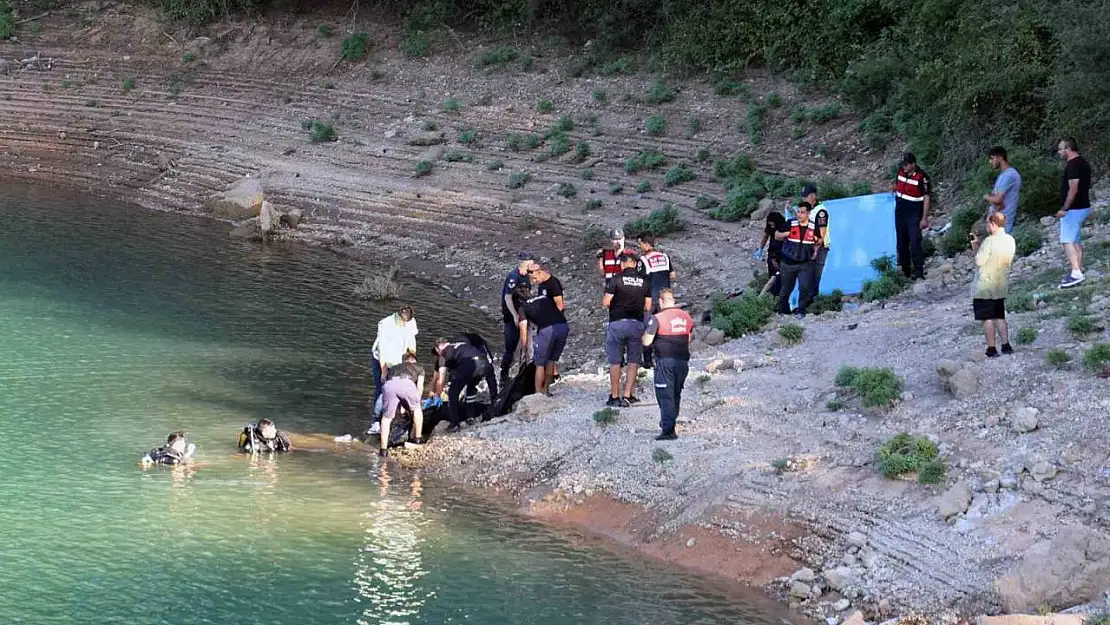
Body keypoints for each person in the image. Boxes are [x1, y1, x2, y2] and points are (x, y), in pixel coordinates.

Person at [642, 289, 694, 441]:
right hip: (683, 361)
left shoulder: (657, 318)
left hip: (665, 361)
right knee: (675, 392)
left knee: (665, 394)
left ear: (661, 301)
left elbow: (647, 341)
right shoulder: (686, 317)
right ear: (673, 300)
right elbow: (689, 337)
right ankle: (670, 421)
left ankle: (668, 430)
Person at [602, 251, 652, 407]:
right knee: (633, 361)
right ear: (635, 264)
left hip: (617, 322)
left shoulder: (615, 279)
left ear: (623, 264)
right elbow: (648, 306)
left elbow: (606, 302)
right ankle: (628, 394)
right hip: (636, 323)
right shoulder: (644, 282)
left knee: (615, 361)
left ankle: (614, 396)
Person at [970, 212, 1016, 358]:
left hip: (985, 284)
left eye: (988, 224)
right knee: (999, 316)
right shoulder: (1010, 239)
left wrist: (976, 246)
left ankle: (991, 348)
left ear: (993, 224)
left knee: (987, 318)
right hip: (1001, 283)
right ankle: (1006, 345)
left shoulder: (989, 241)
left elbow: (979, 261)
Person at [516, 272, 570, 396]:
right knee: (551, 360)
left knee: (540, 363)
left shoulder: (522, 308)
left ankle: (538, 394)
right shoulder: (544, 298)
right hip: (563, 325)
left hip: (547, 330)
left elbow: (523, 332)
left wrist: (524, 350)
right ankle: (546, 391)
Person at [369, 306, 418, 434]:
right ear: (399, 317)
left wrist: (412, 360)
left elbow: (412, 342)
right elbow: (382, 350)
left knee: (402, 385)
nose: (405, 324)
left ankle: (401, 413)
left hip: (400, 359)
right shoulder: (385, 324)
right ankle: (376, 422)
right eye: (403, 322)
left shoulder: (411, 321)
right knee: (381, 389)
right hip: (382, 359)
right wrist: (384, 371)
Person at [434, 336, 499, 433]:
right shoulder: (460, 344)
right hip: (484, 361)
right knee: (472, 386)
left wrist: (438, 395)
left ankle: (455, 424)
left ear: (438, 349)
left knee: (453, 393)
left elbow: (441, 379)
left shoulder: (443, 355)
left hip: (470, 365)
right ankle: (493, 406)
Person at [1054, 137, 1093, 289]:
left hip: (1074, 209)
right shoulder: (1083, 162)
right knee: (1075, 240)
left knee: (1067, 240)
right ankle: (1078, 269)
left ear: (1068, 148)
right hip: (1083, 206)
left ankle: (1076, 272)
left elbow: (1073, 188)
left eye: (1060, 149)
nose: (1059, 152)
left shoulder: (1073, 165)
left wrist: (1064, 209)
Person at [774, 201, 818, 317]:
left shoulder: (814, 227)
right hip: (788, 263)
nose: (799, 214)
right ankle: (782, 311)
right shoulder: (791, 223)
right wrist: (785, 234)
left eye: (802, 212)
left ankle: (801, 310)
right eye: (798, 212)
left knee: (805, 287)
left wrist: (815, 251)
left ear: (808, 213)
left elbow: (819, 241)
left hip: (805, 264)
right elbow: (776, 235)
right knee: (786, 288)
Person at [892, 152, 932, 280]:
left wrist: (924, 218)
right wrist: (894, 188)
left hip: (913, 214)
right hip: (900, 212)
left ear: (913, 164)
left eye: (906, 165)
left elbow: (926, 198)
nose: (904, 167)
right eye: (903, 165)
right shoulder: (901, 171)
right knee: (901, 243)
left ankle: (919, 272)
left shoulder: (922, 177)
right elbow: (897, 184)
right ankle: (906, 271)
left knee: (915, 242)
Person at [378, 352, 425, 457]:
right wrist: (417, 400)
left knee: (386, 418)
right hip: (407, 383)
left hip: (389, 385)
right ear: (414, 360)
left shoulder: (394, 368)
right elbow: (420, 387)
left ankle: (383, 450)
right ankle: (418, 439)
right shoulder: (419, 368)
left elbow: (387, 381)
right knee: (417, 409)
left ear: (403, 360)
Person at [500, 252, 537, 383]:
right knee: (510, 347)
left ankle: (525, 372)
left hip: (525, 314)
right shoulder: (513, 277)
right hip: (512, 317)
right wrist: (515, 316)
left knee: (527, 345)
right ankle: (503, 375)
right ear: (525, 263)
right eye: (531, 262)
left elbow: (528, 294)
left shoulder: (527, 276)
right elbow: (507, 298)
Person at [535, 266, 566, 381]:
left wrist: (554, 319)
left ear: (540, 273)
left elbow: (560, 304)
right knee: (547, 351)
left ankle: (552, 376)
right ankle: (553, 374)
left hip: (552, 322)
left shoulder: (553, 283)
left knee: (548, 351)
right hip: (544, 321)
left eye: (535, 278)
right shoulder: (541, 284)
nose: (534, 281)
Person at [802, 184, 831, 303]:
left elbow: (821, 233)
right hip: (811, 247)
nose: (804, 199)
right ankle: (809, 302)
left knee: (814, 277)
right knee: (808, 276)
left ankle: (811, 303)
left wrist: (815, 250)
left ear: (813, 196)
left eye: (806, 197)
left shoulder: (821, 211)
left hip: (819, 248)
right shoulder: (812, 210)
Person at [983, 146, 1022, 234]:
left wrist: (985, 197)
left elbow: (997, 199)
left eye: (992, 158)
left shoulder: (1010, 175)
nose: (990, 162)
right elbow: (995, 197)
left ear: (1000, 158)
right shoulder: (1003, 175)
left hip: (1002, 223)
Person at [637, 235, 676, 312]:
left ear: (647, 244)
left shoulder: (643, 260)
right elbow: (673, 276)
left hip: (651, 300)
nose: (639, 246)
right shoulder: (665, 257)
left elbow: (639, 280)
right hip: (666, 299)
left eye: (640, 243)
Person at [755, 205, 787, 296]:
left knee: (778, 277)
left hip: (781, 255)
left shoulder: (783, 228)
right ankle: (773, 293)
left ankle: (776, 294)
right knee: (772, 275)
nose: (772, 227)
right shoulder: (769, 228)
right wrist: (760, 249)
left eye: (773, 224)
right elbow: (765, 236)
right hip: (772, 253)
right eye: (770, 225)